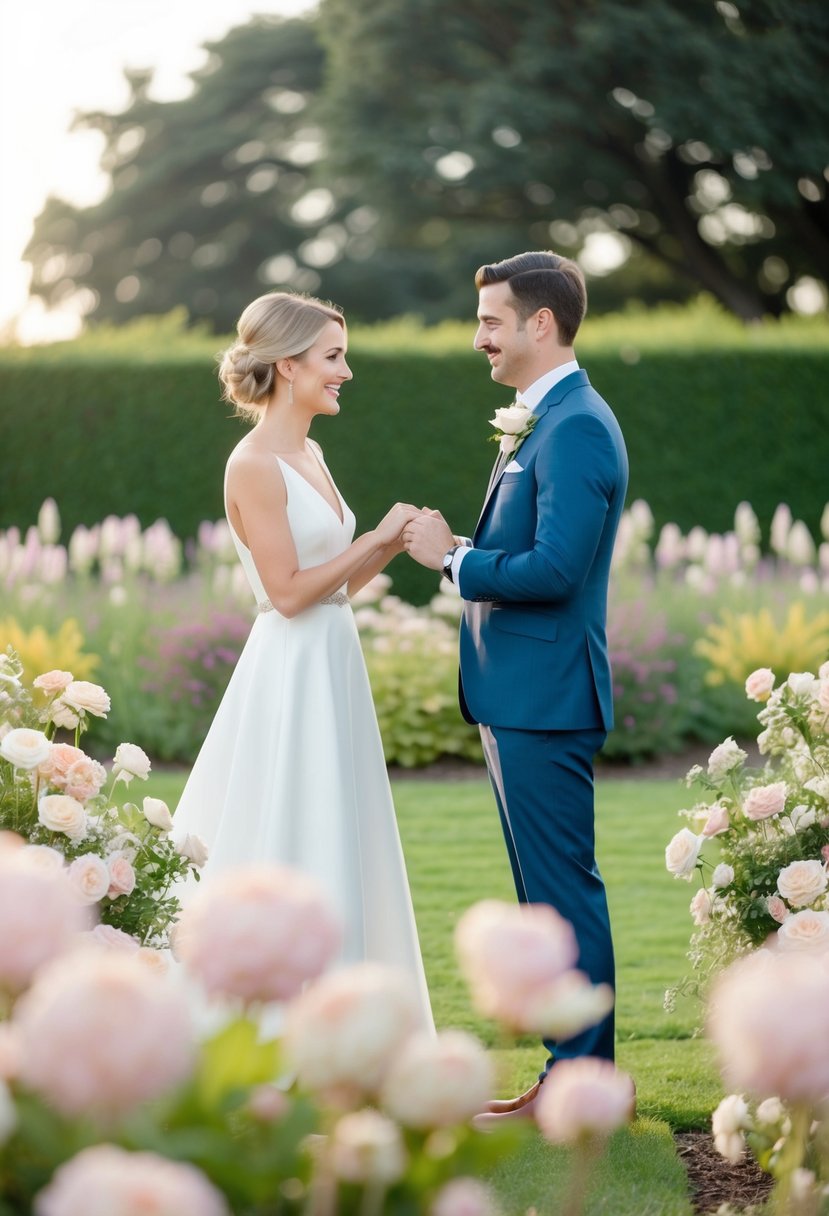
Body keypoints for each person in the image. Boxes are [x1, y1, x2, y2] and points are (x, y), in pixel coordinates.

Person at [403, 251, 628, 1119]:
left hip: (545, 698)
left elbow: (556, 570)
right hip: (518, 696)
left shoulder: (573, 425)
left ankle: (581, 1085)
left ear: (541, 323)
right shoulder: (548, 418)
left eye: (491, 321)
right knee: (547, 897)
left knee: (563, 893)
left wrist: (453, 557)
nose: (479, 339)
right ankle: (567, 1076)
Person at [173, 290, 433, 1033]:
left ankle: (354, 1024)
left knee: (340, 825)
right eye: (332, 357)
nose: (345, 371)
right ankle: (274, 1030)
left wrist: (388, 541)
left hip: (331, 658)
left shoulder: (310, 452)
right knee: (291, 824)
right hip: (289, 669)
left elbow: (338, 587)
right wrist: (373, 533)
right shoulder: (253, 463)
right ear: (287, 366)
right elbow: (286, 594)